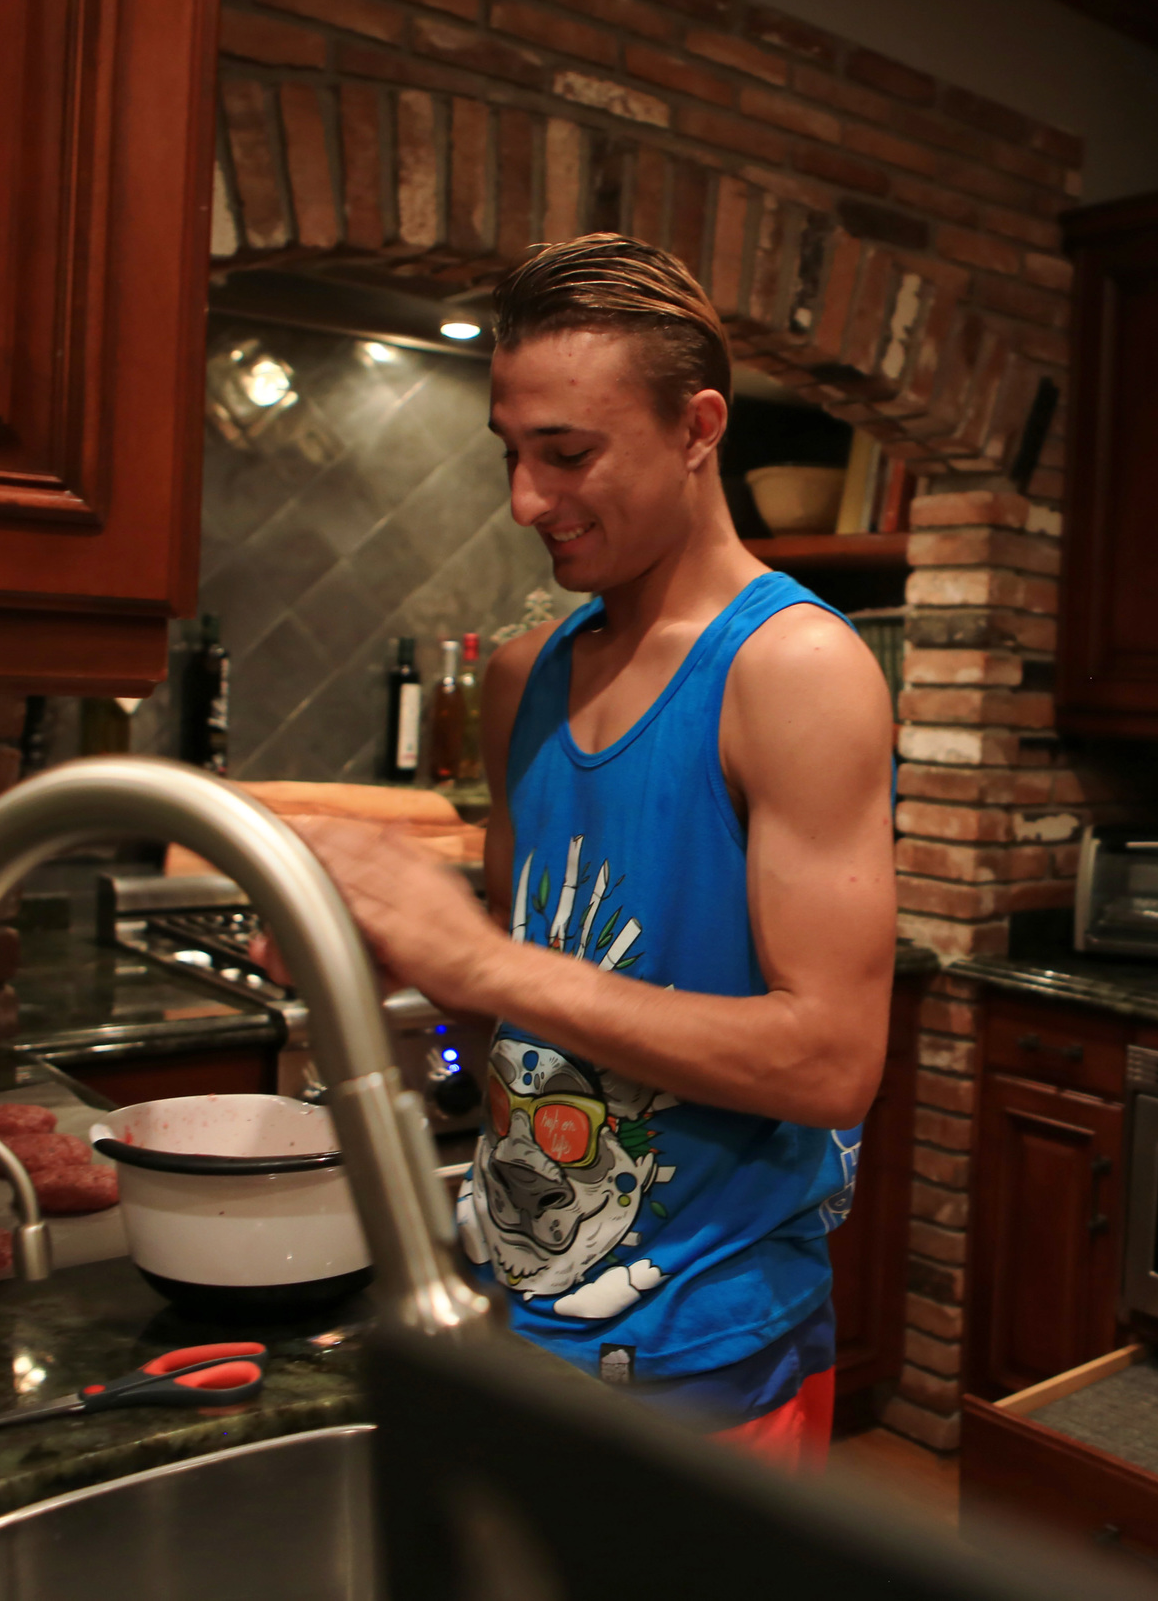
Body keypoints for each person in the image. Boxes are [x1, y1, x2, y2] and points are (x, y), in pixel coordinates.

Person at [273, 234, 896, 1471]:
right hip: (512, 1301)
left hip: (702, 1361)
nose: (524, 501)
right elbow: (532, 994)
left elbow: (831, 1061)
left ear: (697, 427)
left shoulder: (795, 671)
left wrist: (485, 965)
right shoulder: (528, 679)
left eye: (567, 454)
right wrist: (370, 941)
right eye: (511, 454)